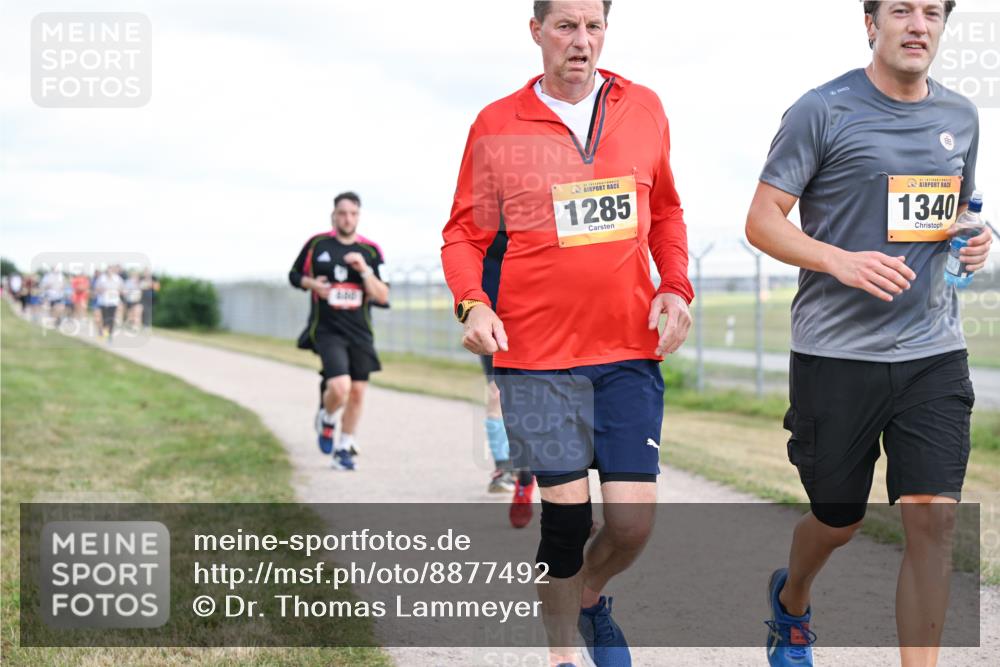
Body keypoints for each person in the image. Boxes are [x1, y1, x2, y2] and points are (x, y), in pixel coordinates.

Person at [441, 2, 693, 664]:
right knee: (568, 518)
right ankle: (562, 654)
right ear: (536, 33)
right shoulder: (497, 124)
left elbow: (665, 211)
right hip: (537, 358)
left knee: (633, 523)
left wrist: (674, 285)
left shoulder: (644, 108)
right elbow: (463, 233)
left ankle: (587, 594)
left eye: (593, 27)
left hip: (627, 352)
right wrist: (472, 303)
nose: (581, 41)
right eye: (565, 26)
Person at [744, 2, 991, 666]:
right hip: (835, 356)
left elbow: (960, 212)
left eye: (931, 12)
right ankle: (792, 602)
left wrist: (976, 242)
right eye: (901, 10)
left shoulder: (960, 118)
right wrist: (836, 258)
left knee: (933, 519)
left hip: (932, 352)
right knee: (838, 520)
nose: (918, 24)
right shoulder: (821, 110)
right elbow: (762, 220)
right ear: (871, 22)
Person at [289, 191, 390, 471]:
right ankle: (328, 416)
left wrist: (366, 271)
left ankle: (344, 448)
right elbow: (294, 276)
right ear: (334, 215)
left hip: (360, 331)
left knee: (357, 392)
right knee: (340, 386)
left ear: (359, 215)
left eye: (353, 213)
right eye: (342, 213)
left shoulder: (371, 251)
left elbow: (383, 296)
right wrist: (313, 284)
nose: (348, 218)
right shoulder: (317, 244)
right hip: (327, 329)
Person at [479, 229, 537, 527]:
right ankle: (508, 470)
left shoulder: (540, 206)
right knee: (500, 393)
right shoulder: (481, 212)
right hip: (494, 318)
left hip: (540, 315)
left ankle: (570, 498)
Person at [94, 265, 124, 342]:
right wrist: (101, 290)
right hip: (103, 301)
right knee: (104, 318)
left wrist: (117, 292)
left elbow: (122, 289)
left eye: (111, 270)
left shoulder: (117, 279)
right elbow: (96, 288)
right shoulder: (101, 278)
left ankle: (109, 334)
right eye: (108, 270)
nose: (109, 272)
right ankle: (104, 332)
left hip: (113, 301)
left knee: (111, 318)